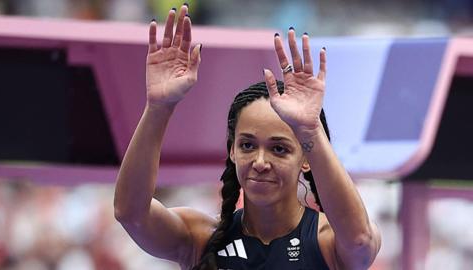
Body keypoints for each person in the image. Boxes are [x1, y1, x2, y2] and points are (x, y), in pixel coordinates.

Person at [114, 4, 381, 270]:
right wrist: (158, 108)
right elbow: (131, 213)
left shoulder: (327, 242)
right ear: (232, 151)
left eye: (279, 149)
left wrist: (310, 130)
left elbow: (360, 241)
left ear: (306, 159)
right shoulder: (200, 237)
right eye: (247, 145)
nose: (260, 162)